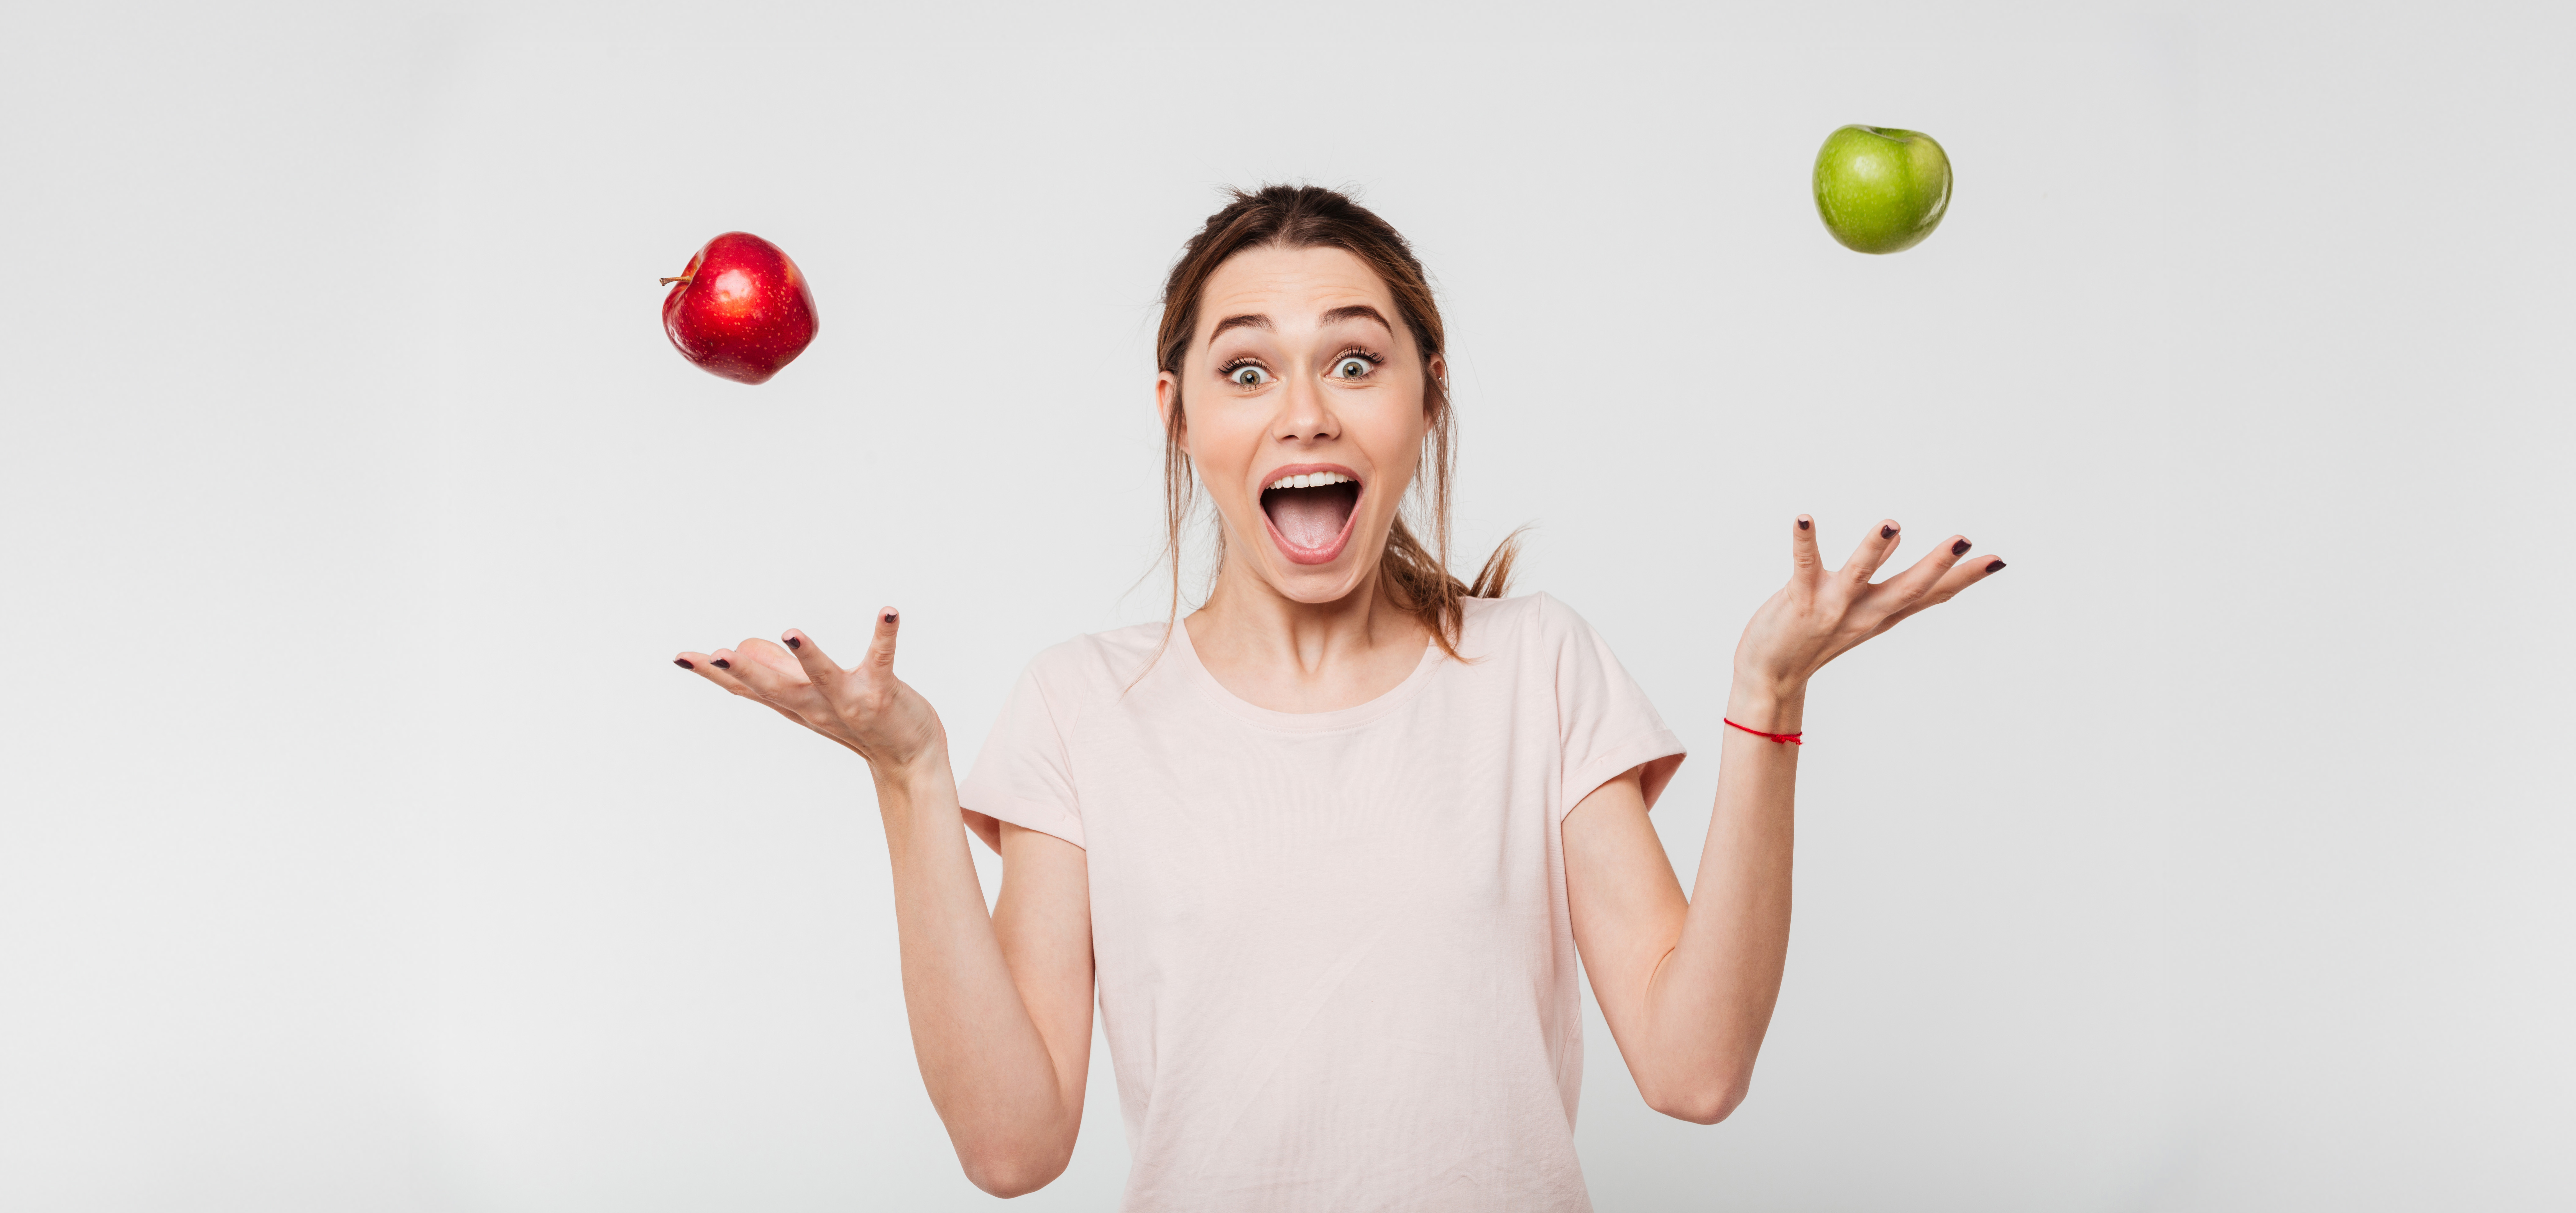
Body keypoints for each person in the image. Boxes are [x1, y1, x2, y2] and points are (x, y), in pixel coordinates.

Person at [674, 185, 2003, 1208]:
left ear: (1427, 398)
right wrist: (909, 774)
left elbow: (1695, 1069)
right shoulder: (1083, 705)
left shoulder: (1538, 667)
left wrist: (1767, 696)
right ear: (1179, 415)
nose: (1304, 411)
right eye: (1247, 370)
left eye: (1357, 362)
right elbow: (1013, 1146)